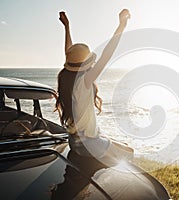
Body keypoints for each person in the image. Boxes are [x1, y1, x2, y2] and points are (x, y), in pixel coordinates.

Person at [55, 9, 133, 163]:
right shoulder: (84, 80)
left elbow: (69, 52)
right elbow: (106, 55)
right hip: (88, 144)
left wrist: (67, 26)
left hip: (74, 141)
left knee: (121, 145)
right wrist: (121, 26)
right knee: (128, 152)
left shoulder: (67, 78)